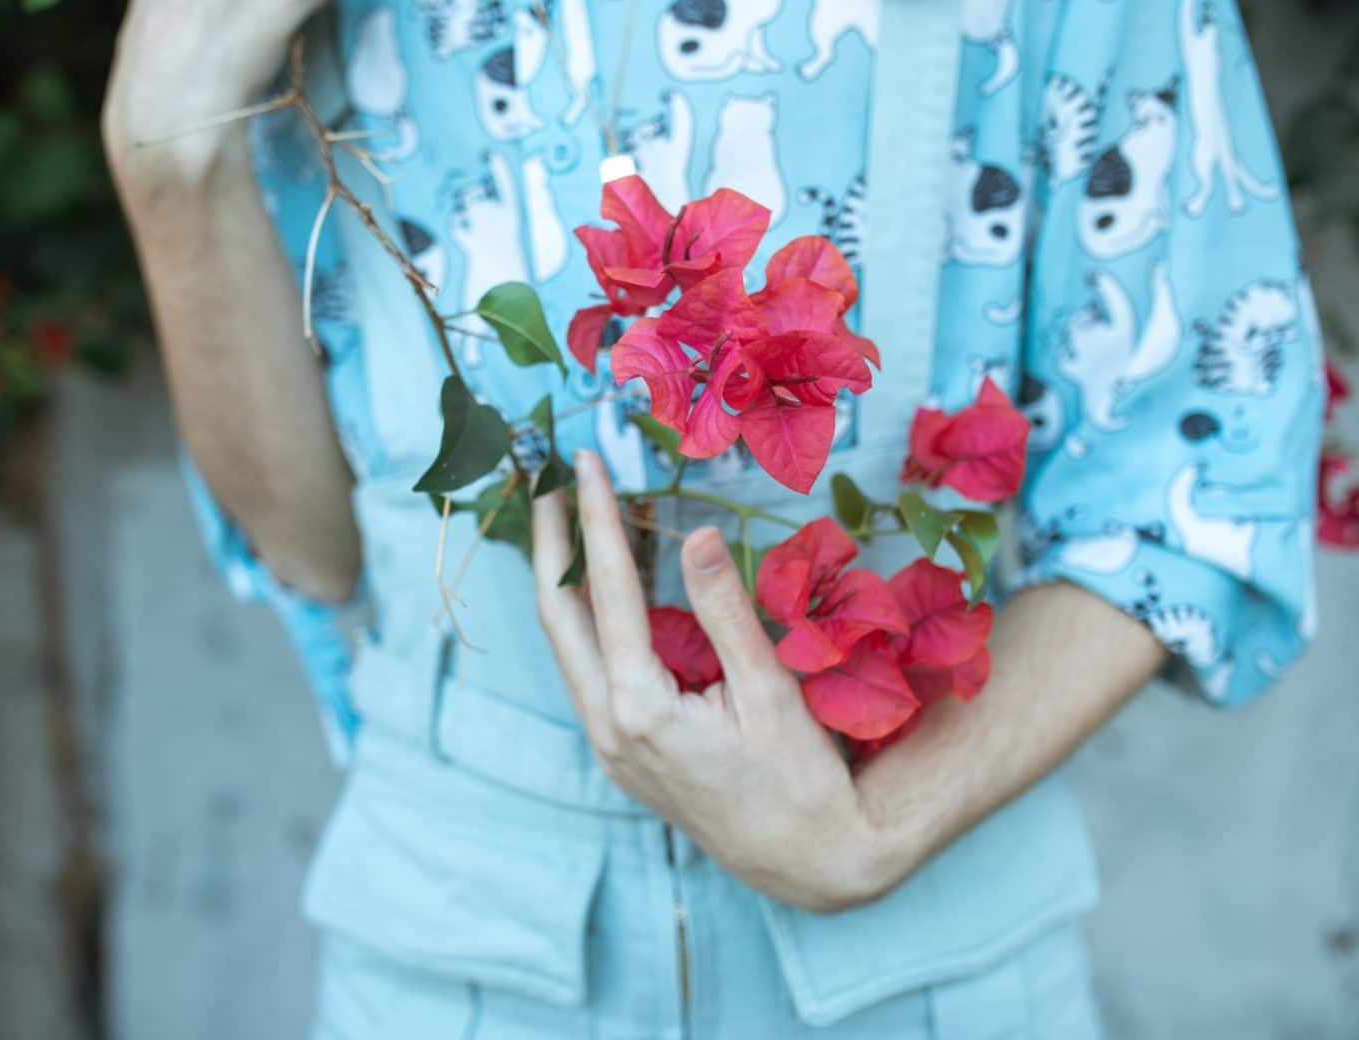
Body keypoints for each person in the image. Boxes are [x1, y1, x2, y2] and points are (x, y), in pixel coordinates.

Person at [104, 0, 1324, 1034]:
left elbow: (1196, 481)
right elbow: (312, 543)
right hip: (460, 950)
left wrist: (871, 830)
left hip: (927, 964)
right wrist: (166, 152)